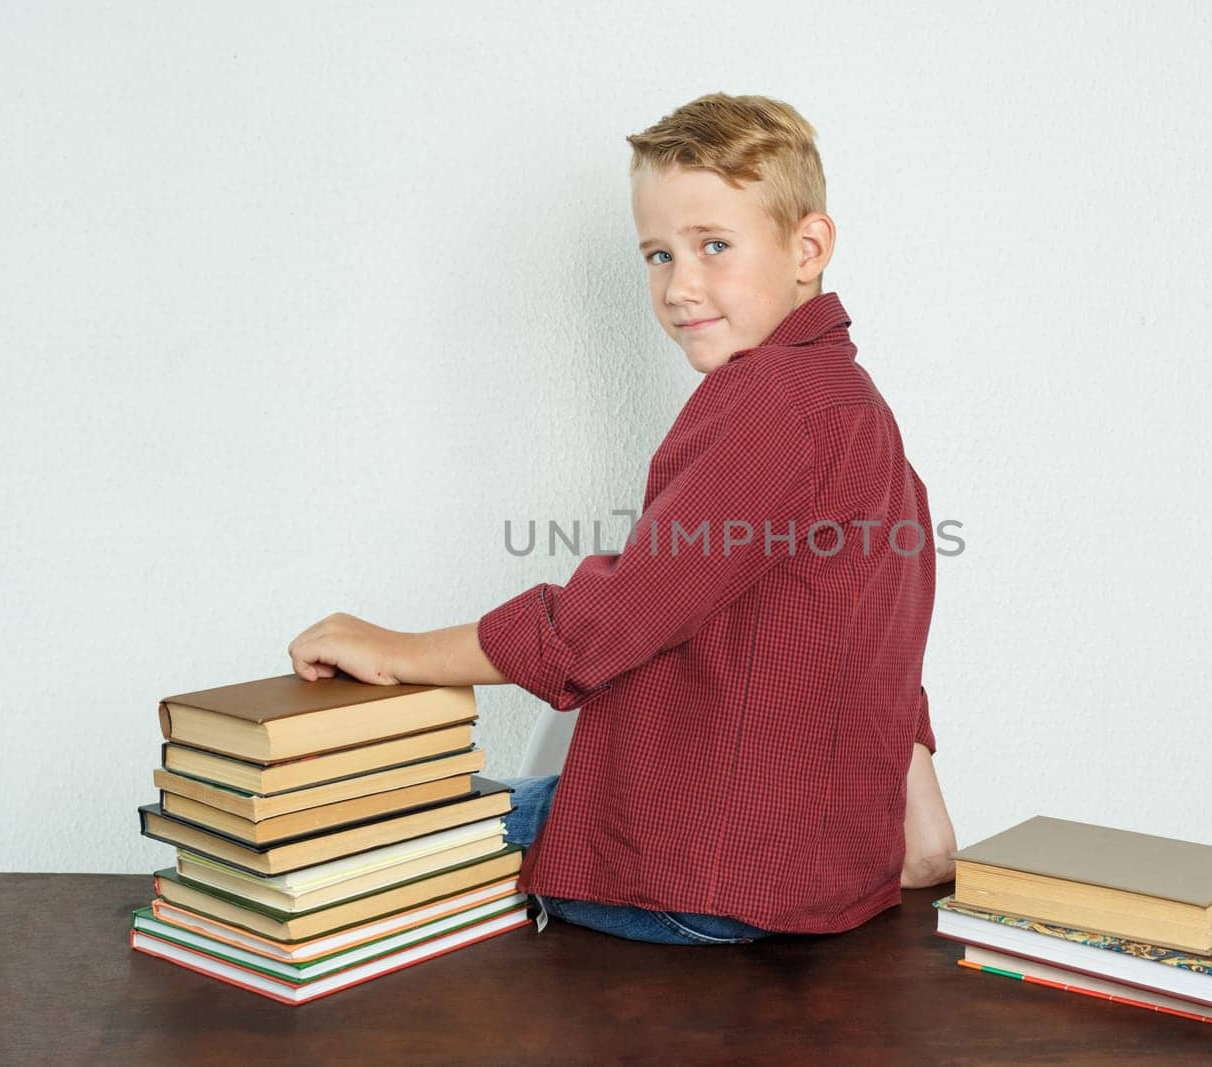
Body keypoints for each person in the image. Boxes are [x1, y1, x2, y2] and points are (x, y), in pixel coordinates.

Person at [286, 92, 956, 945]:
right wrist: (920, 821)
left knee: (351, 840)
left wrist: (397, 653)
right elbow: (875, 635)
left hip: (698, 875)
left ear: (808, 246)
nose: (680, 285)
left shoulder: (771, 402)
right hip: (814, 871)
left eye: (714, 245)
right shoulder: (856, 410)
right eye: (657, 253)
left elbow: (604, 623)